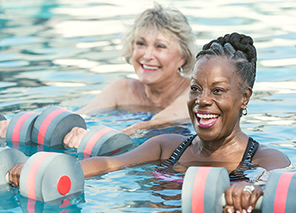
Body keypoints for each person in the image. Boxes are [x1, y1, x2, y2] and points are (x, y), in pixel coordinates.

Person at [8, 33, 290, 213]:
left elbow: (275, 186)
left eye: (218, 91)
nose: (202, 100)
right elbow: (109, 165)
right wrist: (43, 168)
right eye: (195, 88)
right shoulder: (167, 147)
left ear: (244, 98)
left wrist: (250, 191)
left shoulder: (265, 159)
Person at [0, 3, 197, 144]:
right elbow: (82, 115)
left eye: (160, 46)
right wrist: (27, 124)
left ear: (183, 57)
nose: (147, 55)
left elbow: (152, 125)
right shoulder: (123, 89)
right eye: (141, 43)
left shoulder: (194, 91)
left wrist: (103, 138)